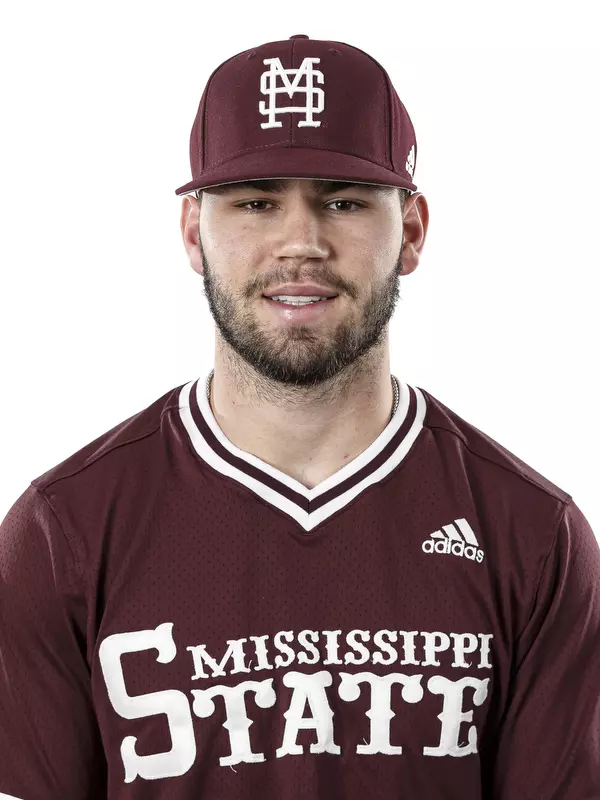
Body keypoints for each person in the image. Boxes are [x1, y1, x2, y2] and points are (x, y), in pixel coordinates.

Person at [1, 34, 599, 800]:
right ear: (193, 233)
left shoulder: (532, 534)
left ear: (411, 231)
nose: (301, 243)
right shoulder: (65, 531)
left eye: (343, 202)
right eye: (256, 202)